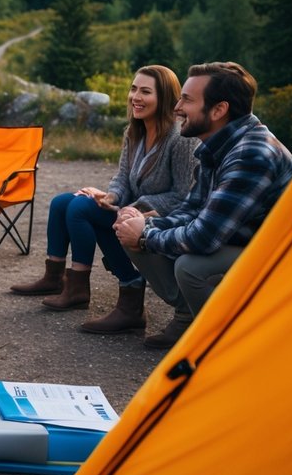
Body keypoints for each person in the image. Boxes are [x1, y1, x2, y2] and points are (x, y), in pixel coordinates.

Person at [114, 61, 292, 349]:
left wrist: (147, 234)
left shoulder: (251, 154)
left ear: (218, 110)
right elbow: (192, 209)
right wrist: (141, 225)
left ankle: (232, 342)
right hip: (247, 242)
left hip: (286, 260)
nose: (176, 108)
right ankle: (189, 317)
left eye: (187, 100)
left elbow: (204, 235)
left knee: (191, 266)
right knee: (132, 232)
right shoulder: (216, 145)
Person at [11, 66, 198, 336]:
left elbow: (183, 195)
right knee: (64, 201)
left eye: (146, 92)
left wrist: (136, 206)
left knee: (79, 209)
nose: (136, 96)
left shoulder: (179, 139)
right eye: (134, 89)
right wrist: (109, 196)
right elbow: (121, 177)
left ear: (166, 97)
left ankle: (124, 293)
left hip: (159, 216)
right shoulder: (133, 132)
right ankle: (56, 278)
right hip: (129, 208)